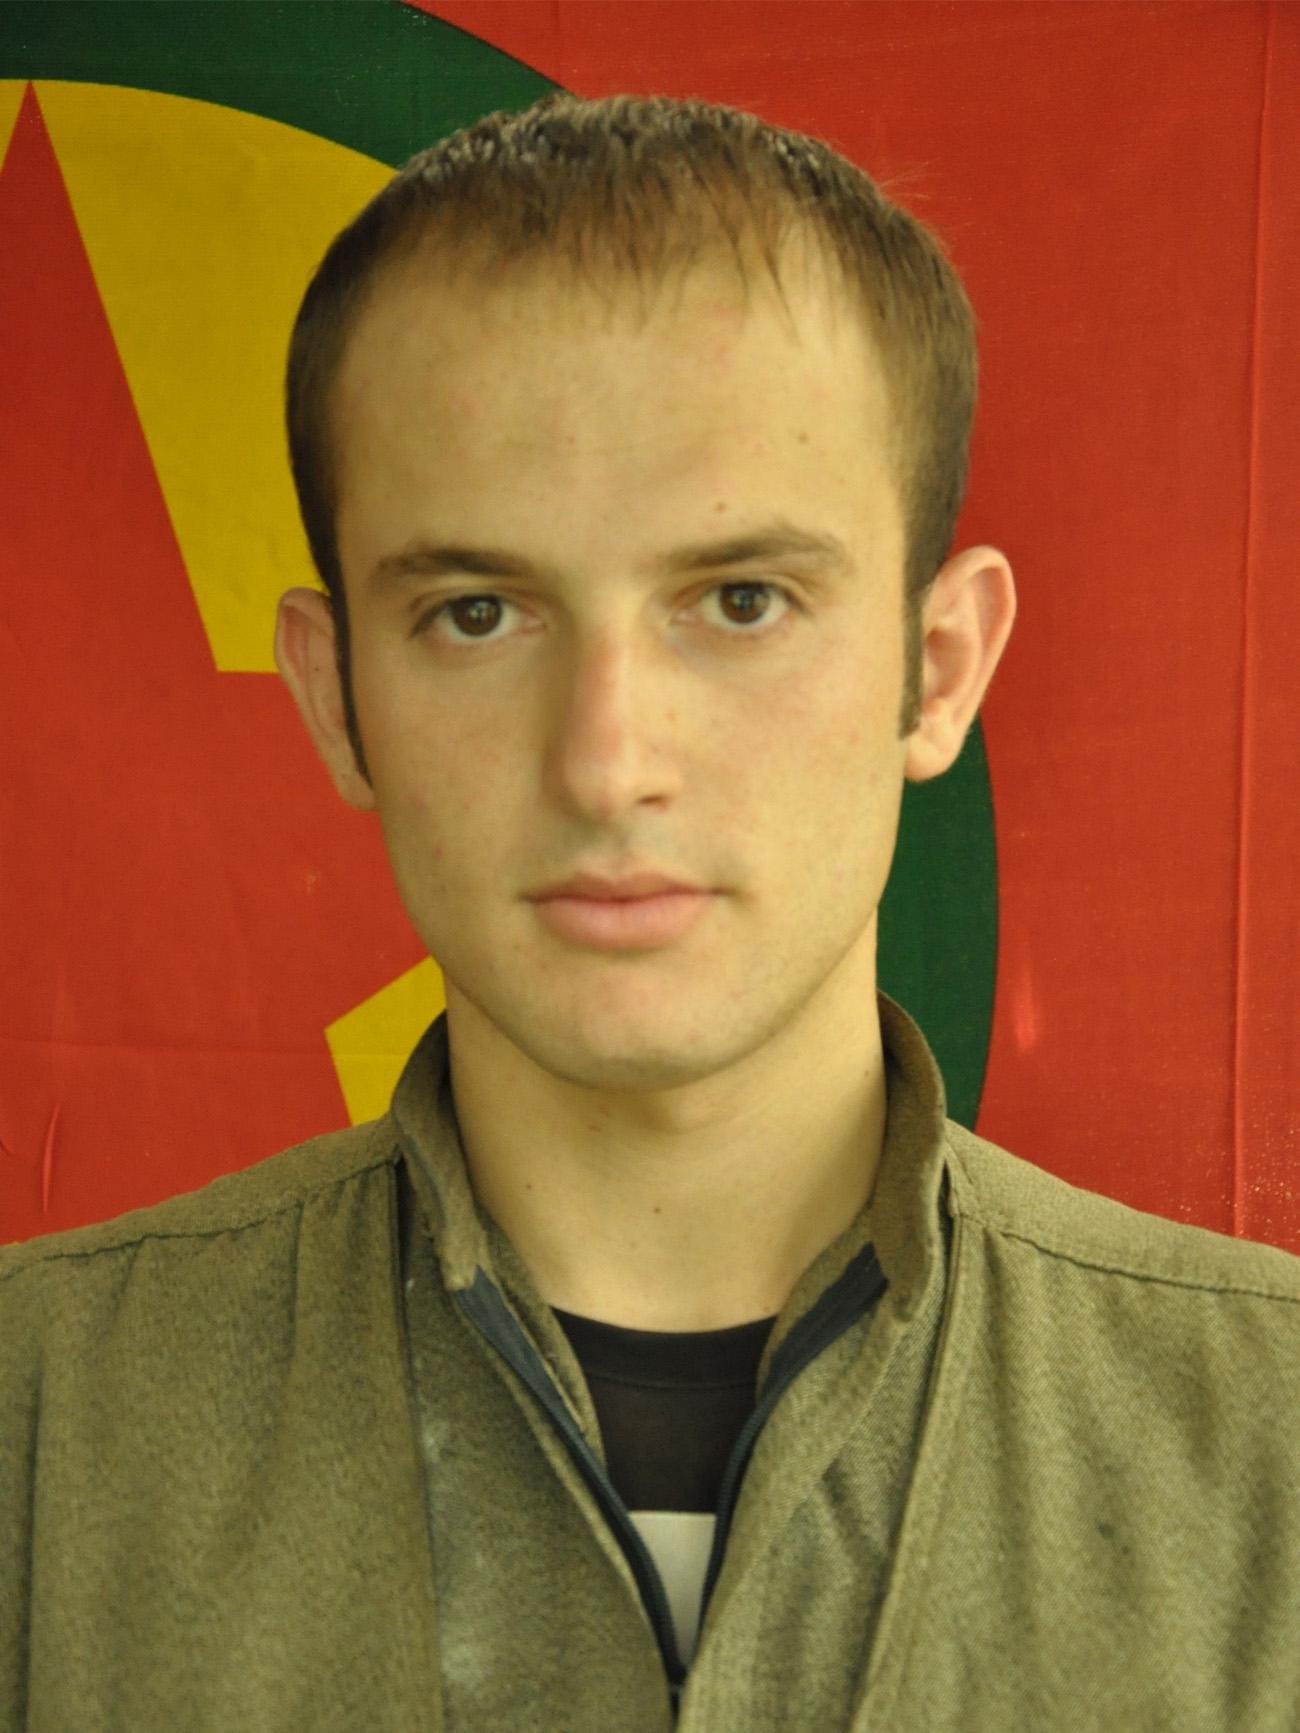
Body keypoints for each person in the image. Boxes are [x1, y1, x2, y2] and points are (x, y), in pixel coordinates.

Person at [3, 93, 1300, 1733]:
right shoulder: (33, 1429)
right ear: (337, 701)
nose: (609, 761)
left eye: (741, 600)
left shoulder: (1274, 1450)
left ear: (939, 668)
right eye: (478, 613)